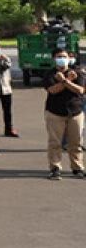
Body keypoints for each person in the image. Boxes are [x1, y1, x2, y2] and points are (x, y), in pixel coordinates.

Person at [43, 48, 84, 179]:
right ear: (54, 59)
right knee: (55, 142)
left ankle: (77, 168)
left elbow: (80, 90)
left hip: (75, 112)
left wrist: (65, 81)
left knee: (76, 142)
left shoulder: (77, 72)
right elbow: (52, 90)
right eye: (59, 56)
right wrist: (66, 81)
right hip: (55, 112)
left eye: (64, 56)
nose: (62, 59)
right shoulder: (50, 74)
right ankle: (55, 168)